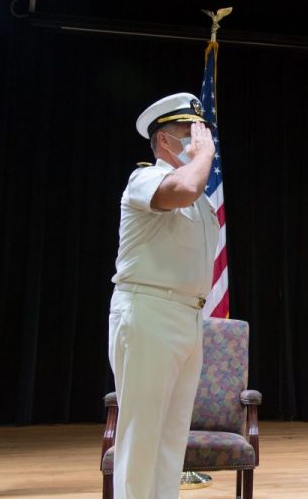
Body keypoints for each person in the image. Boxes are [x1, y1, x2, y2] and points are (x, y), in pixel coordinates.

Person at [108, 92, 220, 498]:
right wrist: (204, 155)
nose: (198, 140)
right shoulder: (145, 179)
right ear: (164, 141)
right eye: (188, 133)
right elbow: (185, 188)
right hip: (149, 310)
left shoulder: (201, 200)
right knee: (142, 436)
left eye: (201, 133)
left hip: (187, 315)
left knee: (171, 439)